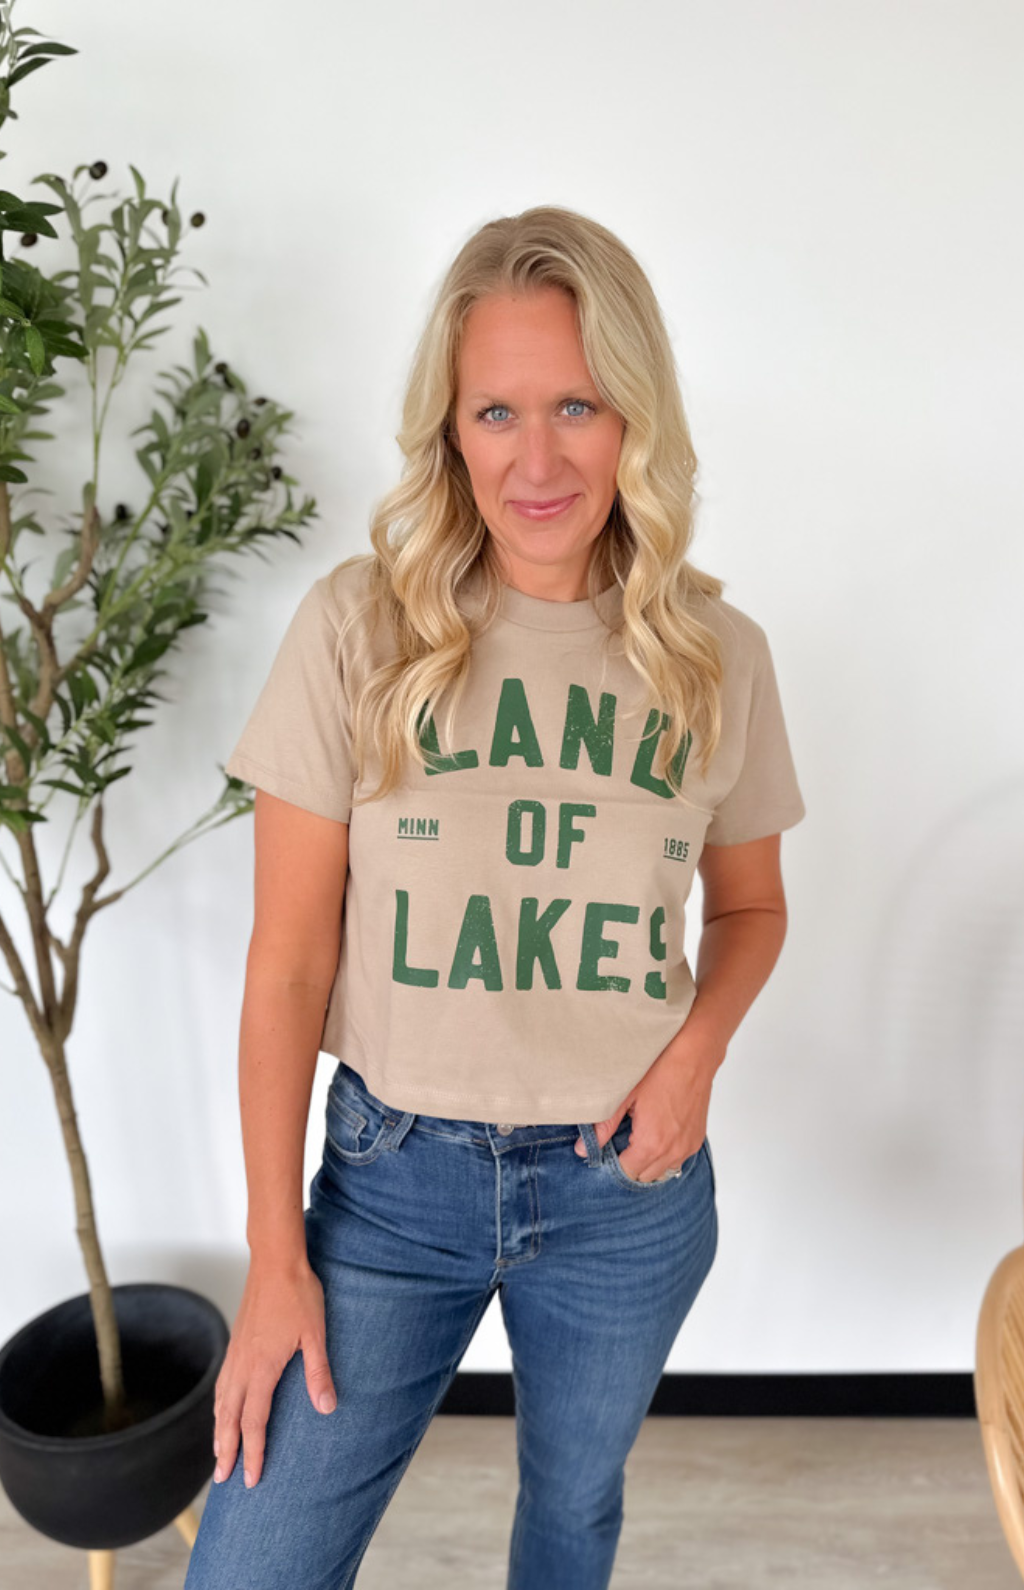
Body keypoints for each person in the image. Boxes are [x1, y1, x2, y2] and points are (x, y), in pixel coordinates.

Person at [184, 204, 806, 1590]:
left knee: (571, 1511)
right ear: (450, 431)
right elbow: (288, 964)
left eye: (578, 405)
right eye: (497, 412)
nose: (538, 459)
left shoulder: (719, 654)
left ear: (636, 416)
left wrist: (695, 1056)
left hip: (625, 1186)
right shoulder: (358, 626)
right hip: (392, 1186)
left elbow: (752, 910)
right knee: (253, 1566)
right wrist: (275, 1255)